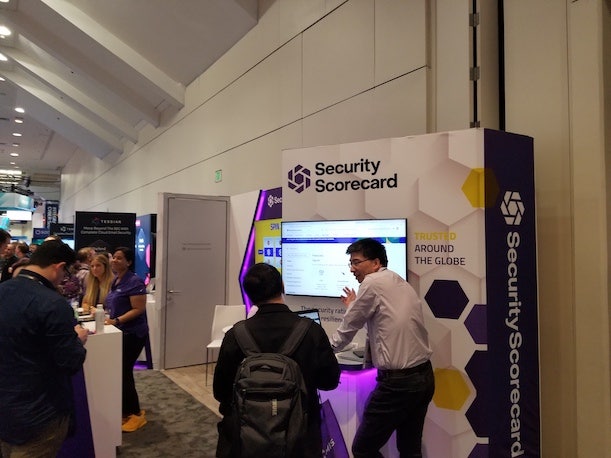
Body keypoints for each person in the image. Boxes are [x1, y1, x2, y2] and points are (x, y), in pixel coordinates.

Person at [213, 263, 340, 458]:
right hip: (300, 441)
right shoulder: (311, 331)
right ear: (282, 286)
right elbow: (329, 381)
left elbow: (221, 392)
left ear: (250, 296)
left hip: (244, 440)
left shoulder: (235, 335)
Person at [330, 238, 434, 458]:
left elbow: (349, 327)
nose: (352, 269)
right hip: (423, 377)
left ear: (376, 263)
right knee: (410, 449)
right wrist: (353, 305)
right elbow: (381, 323)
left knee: (363, 449)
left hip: (398, 384)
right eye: (351, 263)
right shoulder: (395, 280)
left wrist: (325, 350)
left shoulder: (372, 283)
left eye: (356, 262)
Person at [0, 240, 88, 457]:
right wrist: (78, 340)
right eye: (65, 272)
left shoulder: (3, 290)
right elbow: (70, 362)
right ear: (59, 267)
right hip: (40, 411)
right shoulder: (52, 303)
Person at [104, 246, 148, 432]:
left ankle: (136, 414)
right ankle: (126, 410)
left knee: (124, 371)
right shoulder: (116, 280)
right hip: (120, 332)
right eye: (113, 257)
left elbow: (139, 309)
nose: (114, 260)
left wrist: (117, 320)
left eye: (119, 258)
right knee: (120, 371)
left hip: (133, 333)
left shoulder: (134, 281)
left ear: (128, 262)